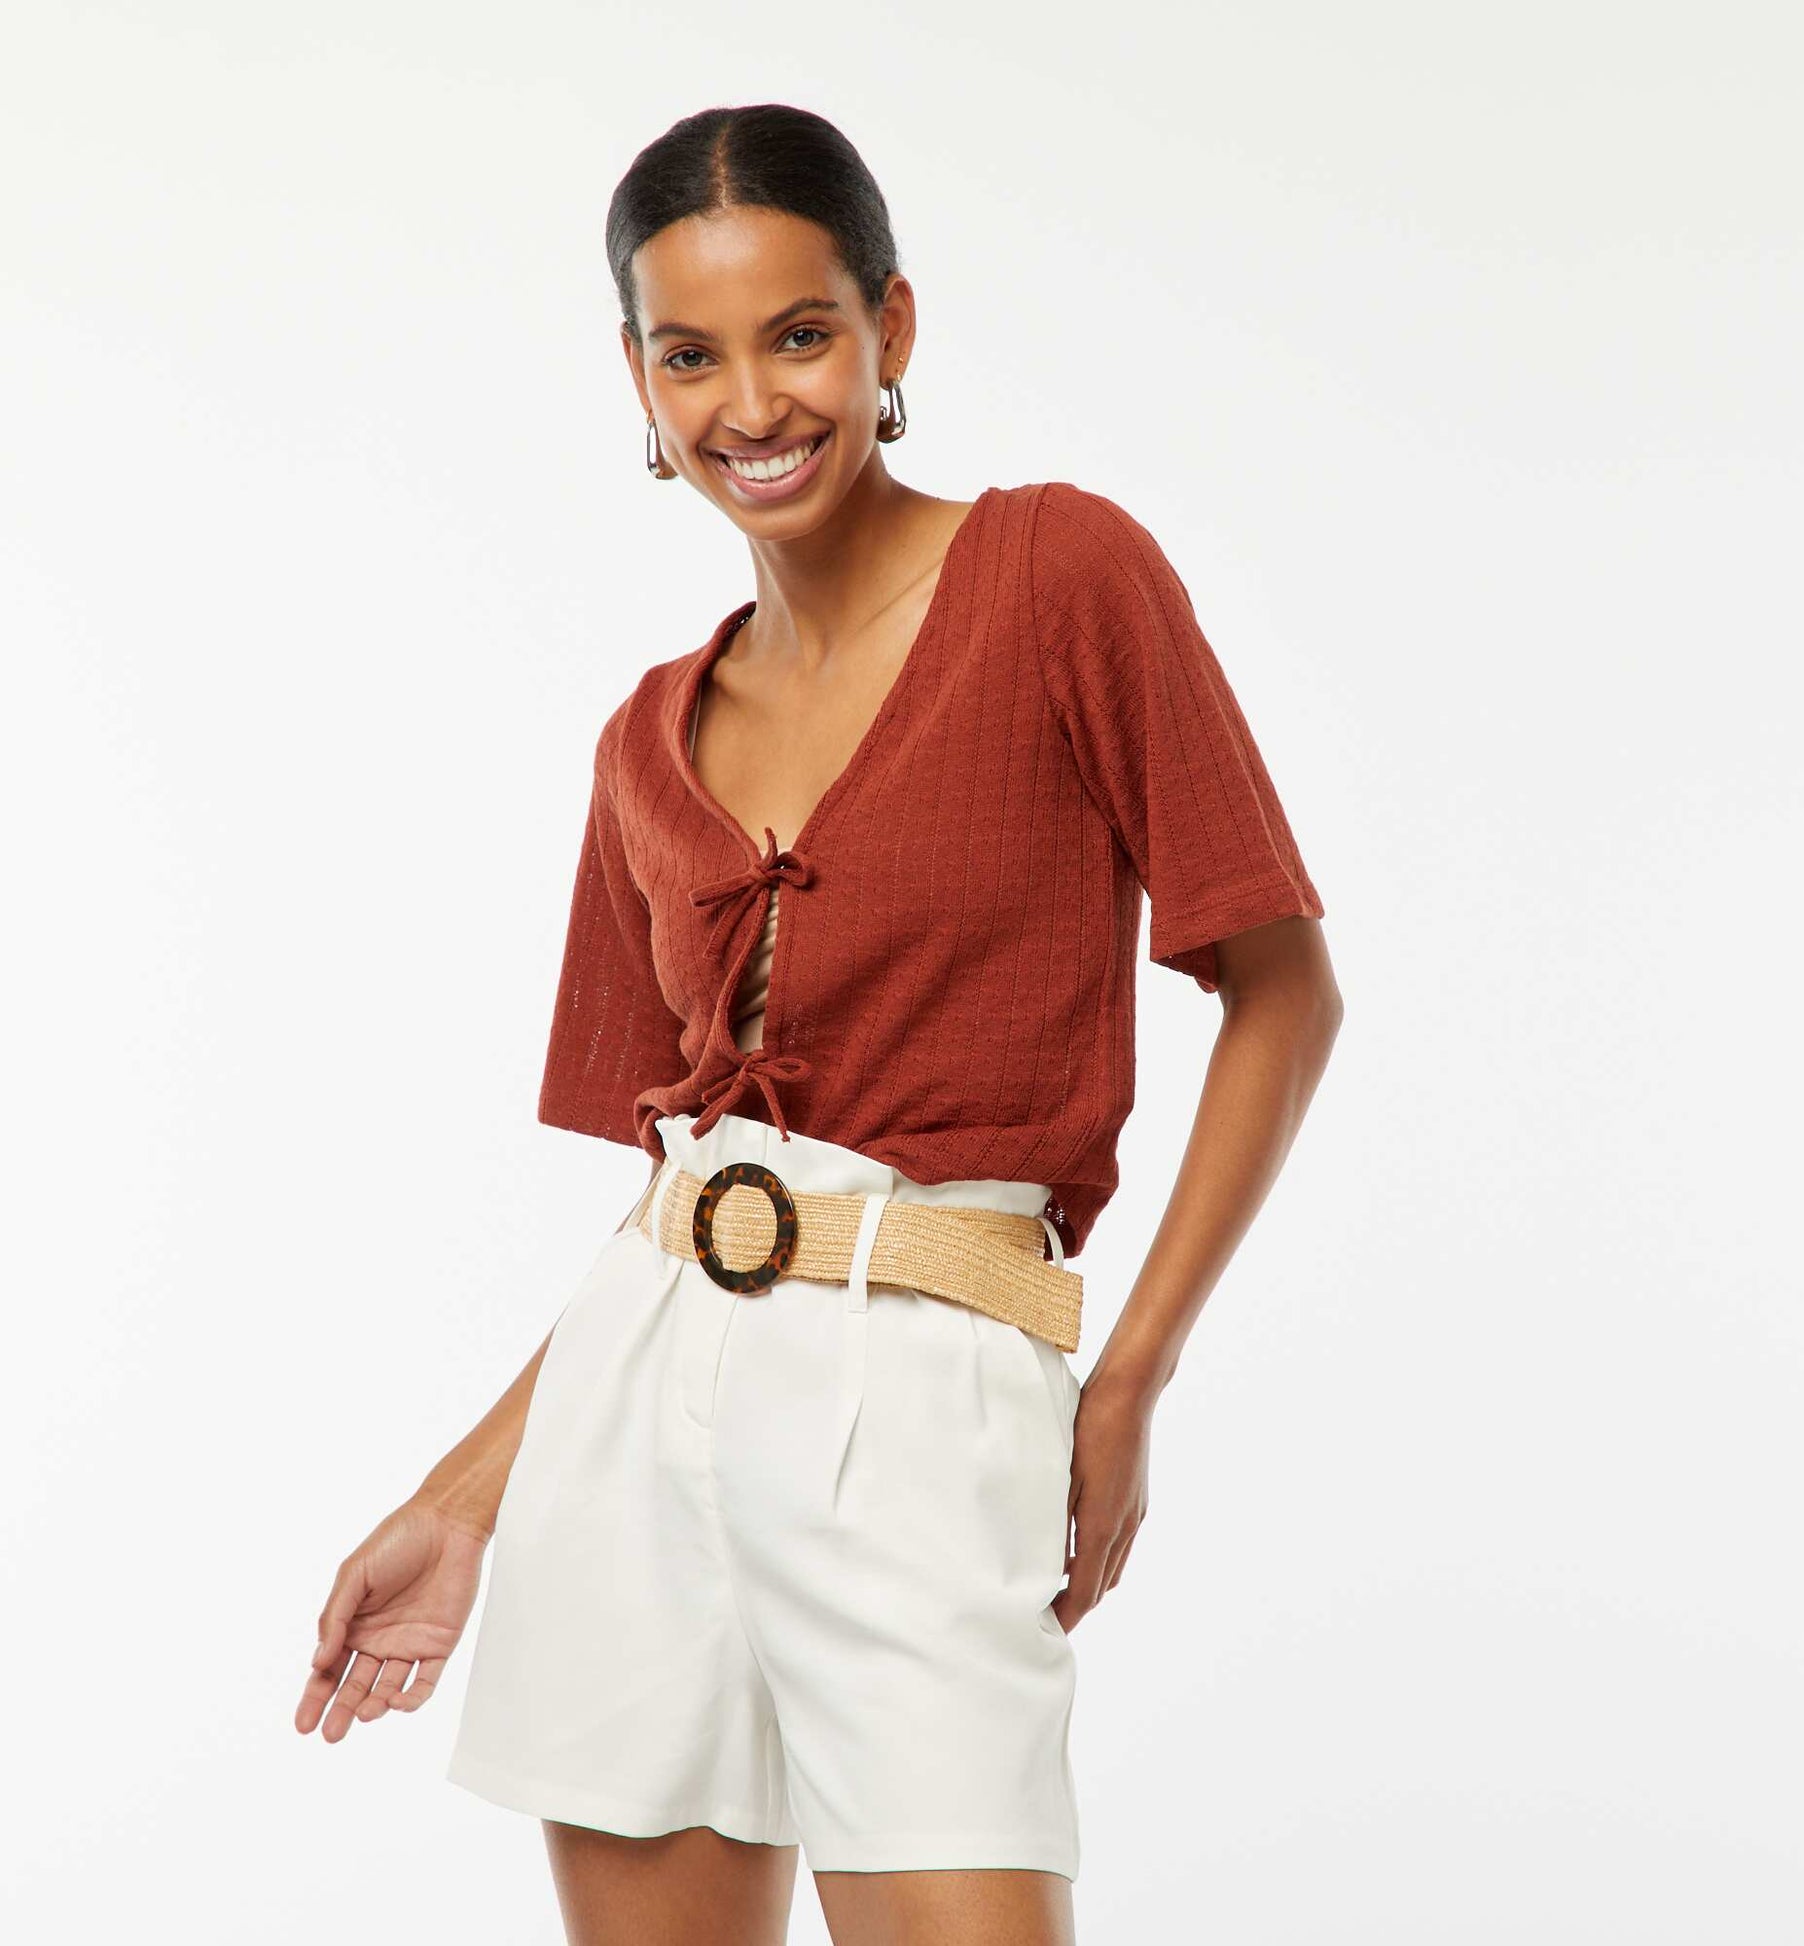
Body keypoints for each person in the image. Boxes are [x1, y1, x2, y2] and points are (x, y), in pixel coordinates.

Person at [293, 102, 1343, 1945]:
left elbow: (1283, 989)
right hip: (631, 1428)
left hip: (931, 1407)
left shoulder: (1059, 575)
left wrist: (1129, 1376)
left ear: (889, 330)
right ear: (637, 377)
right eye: (688, 354)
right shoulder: (645, 738)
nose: (751, 404)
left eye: (798, 334)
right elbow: (687, 1202)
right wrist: (466, 1496)